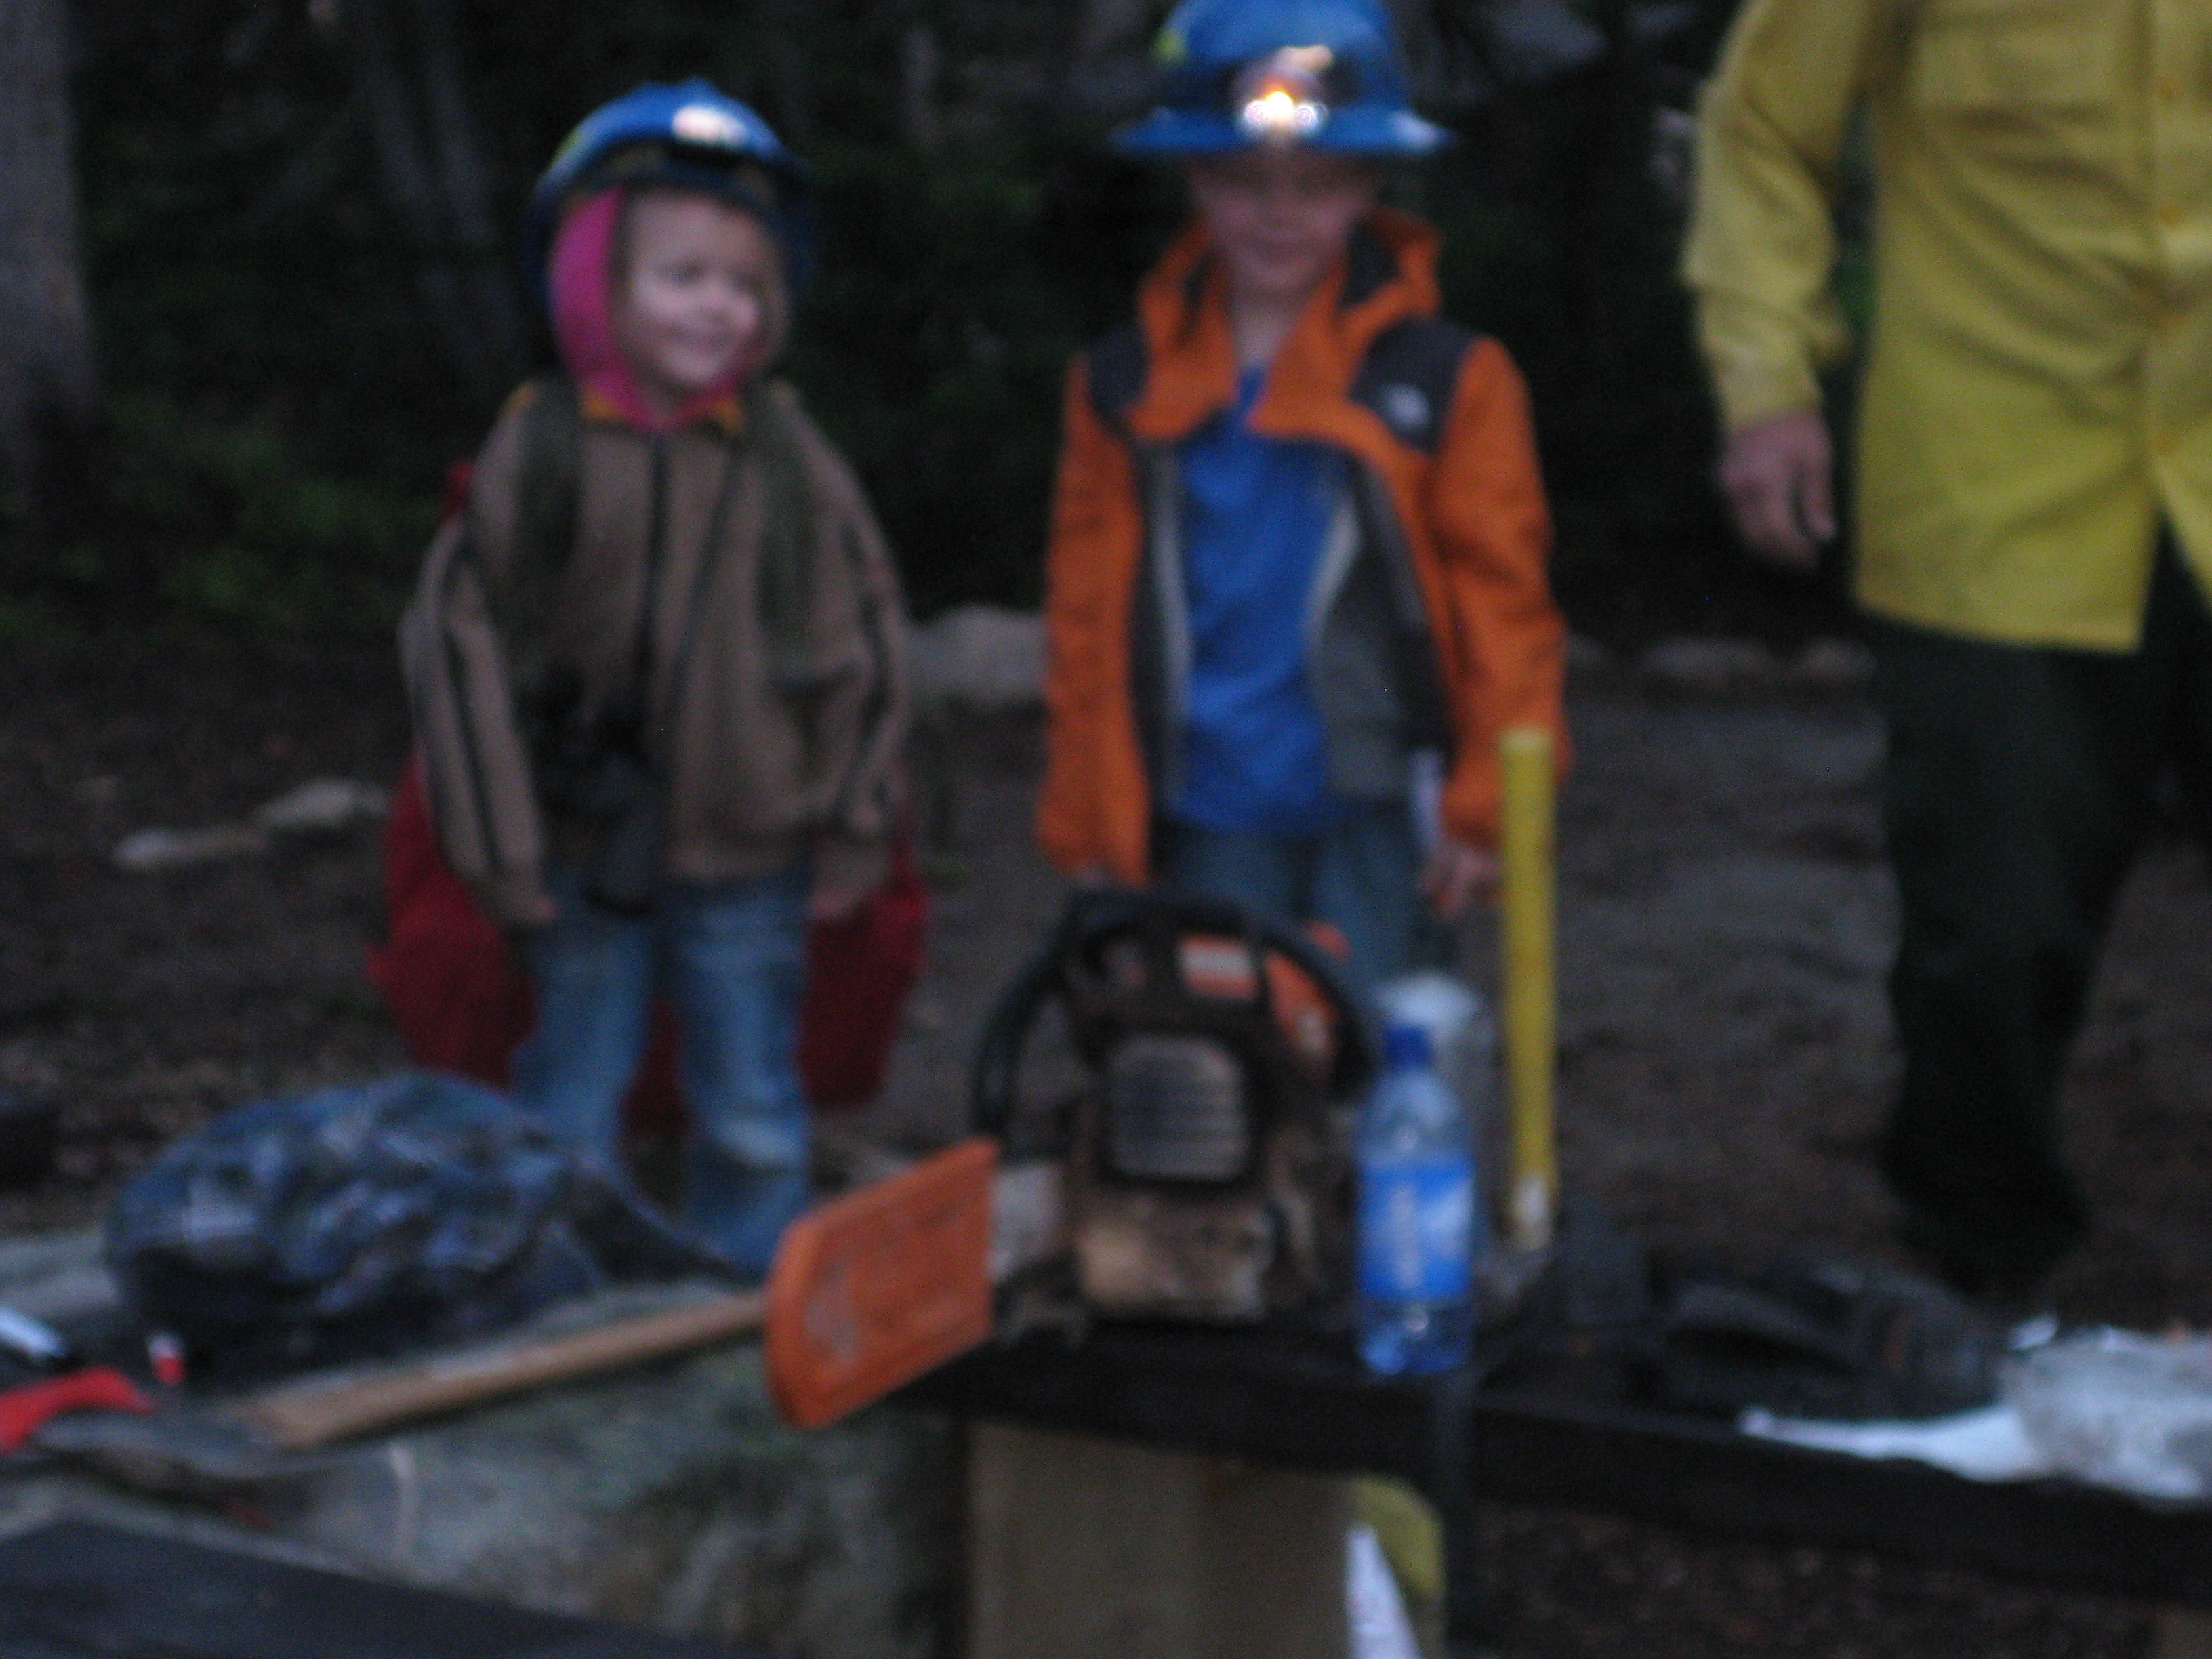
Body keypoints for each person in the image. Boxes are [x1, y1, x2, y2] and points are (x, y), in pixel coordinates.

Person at [1684, 3, 2212, 1295]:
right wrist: (1768, 386)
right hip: (1993, 493)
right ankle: (1983, 1273)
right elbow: (1761, 128)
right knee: (1991, 928)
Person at [399, 81, 909, 1277]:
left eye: (745, 284)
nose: (717, 309)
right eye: (682, 276)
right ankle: (558, 1290)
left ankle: (747, 1304)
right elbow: (453, 640)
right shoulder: (547, 447)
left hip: (755, 855)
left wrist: (854, 825)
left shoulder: (787, 457)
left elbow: (869, 647)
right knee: (571, 1081)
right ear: (595, 282)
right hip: (582, 856)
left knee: (749, 1095)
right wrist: (498, 844)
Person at [1036, 0, 1568, 1003]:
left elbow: (1507, 612)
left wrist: (1489, 810)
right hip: (1204, 806)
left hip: (1376, 803)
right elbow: (1085, 623)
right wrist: (1089, 821)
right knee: (1220, 1066)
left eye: (1317, 184)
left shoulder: (1450, 382)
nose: (1280, 212)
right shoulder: (1122, 386)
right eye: (1245, 181)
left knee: (1379, 1059)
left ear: (1370, 182)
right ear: (1194, 178)